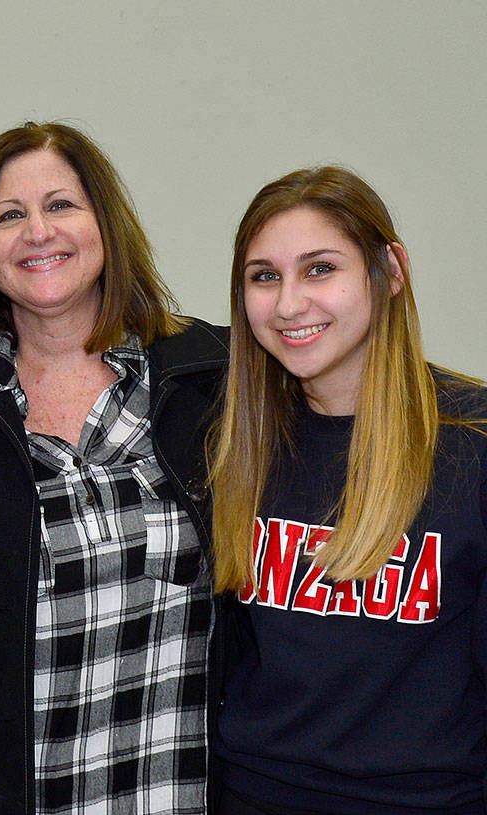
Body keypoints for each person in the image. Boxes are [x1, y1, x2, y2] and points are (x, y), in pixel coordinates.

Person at [0, 122, 225, 814]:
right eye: (8, 216)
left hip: (184, 793)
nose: (38, 232)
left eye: (61, 205)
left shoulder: (211, 377)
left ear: (105, 224)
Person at [208, 166, 487, 813]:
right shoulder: (234, 443)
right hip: (248, 795)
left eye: (320, 269)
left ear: (390, 271)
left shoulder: (471, 443)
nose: (288, 304)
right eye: (264, 276)